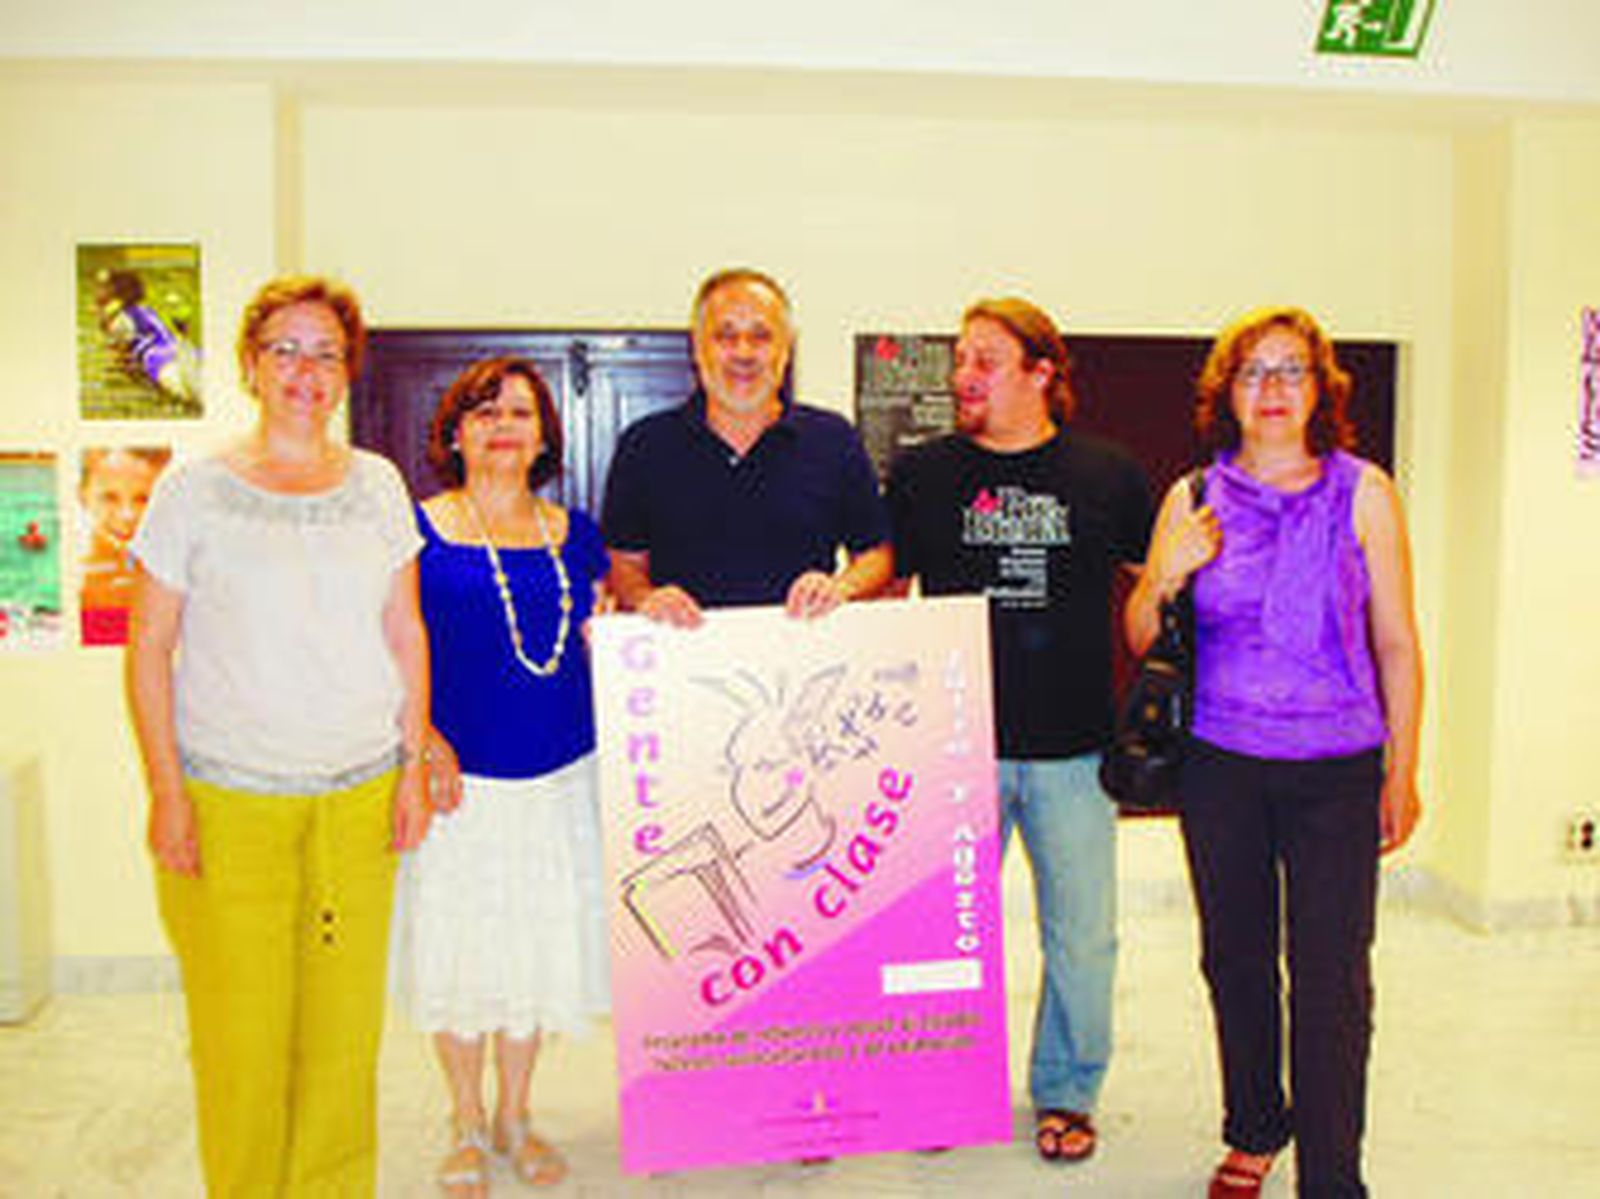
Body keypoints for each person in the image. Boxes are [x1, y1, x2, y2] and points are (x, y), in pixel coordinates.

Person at [125, 275, 431, 1196]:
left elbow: (405, 632)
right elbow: (149, 650)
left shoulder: (377, 484)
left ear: (347, 372)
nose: (307, 369)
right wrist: (168, 791)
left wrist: (413, 770)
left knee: (342, 1043)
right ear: (253, 363)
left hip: (357, 798)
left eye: (327, 352)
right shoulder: (193, 492)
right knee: (242, 1042)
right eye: (287, 349)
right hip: (230, 802)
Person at [1124, 307, 1422, 1199]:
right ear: (1229, 393)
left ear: (1320, 389)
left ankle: (1333, 1174)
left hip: (1338, 769)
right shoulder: (1192, 495)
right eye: (1254, 372)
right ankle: (1255, 1123)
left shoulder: (1364, 491)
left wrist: (1403, 770)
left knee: (1332, 978)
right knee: (1236, 956)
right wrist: (1167, 570)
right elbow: (1142, 633)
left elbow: (1398, 643)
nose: (1274, 389)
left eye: (1292, 370)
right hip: (1222, 765)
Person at [885, 297, 1152, 1164]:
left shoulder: (1109, 473)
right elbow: (890, 592)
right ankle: (936, 1086)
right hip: (957, 746)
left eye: (986, 360)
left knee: (1082, 933)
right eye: (960, 358)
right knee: (941, 935)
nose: (964, 375)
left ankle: (1068, 1092)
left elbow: (1154, 602)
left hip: (1076, 749)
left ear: (1042, 372)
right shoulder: (923, 474)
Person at [393, 357, 610, 1197]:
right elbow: (386, 644)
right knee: (463, 950)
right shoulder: (416, 528)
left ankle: (517, 1114)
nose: (504, 424)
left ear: (544, 435)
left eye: (521, 411)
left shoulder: (575, 530)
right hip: (460, 782)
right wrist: (423, 739)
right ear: (455, 431)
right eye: (484, 411)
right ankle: (464, 1117)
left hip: (561, 774)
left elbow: (597, 632)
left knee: (535, 951)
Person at [602, 267, 891, 622]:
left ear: (785, 350)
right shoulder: (644, 446)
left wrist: (842, 587)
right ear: (697, 348)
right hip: (683, 664)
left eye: (761, 336)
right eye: (725, 336)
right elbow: (622, 565)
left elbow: (877, 555)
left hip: (807, 664)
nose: (743, 352)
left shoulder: (835, 439)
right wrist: (646, 598)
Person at [79, 446, 170, 644]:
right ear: (83, 496)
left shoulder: (177, 577)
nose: (127, 515)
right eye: (109, 498)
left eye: (142, 499)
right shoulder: (74, 581)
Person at [96, 268, 200, 408]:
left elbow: (123, 360)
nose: (99, 292)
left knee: (187, 399)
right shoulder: (147, 310)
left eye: (105, 287)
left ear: (115, 294)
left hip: (159, 361)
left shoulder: (120, 320)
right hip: (186, 351)